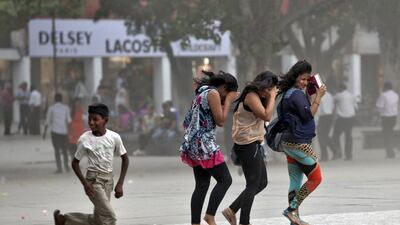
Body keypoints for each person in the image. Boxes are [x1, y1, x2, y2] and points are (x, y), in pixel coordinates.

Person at [53, 103, 129, 225]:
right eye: (89, 119)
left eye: (95, 119)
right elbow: (74, 163)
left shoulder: (114, 137)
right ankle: (65, 220)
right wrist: (85, 183)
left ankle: (65, 220)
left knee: (99, 219)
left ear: (105, 120)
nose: (91, 122)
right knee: (110, 217)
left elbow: (125, 159)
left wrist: (120, 183)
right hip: (93, 182)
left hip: (108, 181)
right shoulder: (84, 139)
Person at [180, 70, 238, 225]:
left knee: (202, 185)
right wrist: (228, 101)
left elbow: (186, 122)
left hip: (193, 144)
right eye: (229, 93)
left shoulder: (202, 93)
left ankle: (195, 223)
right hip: (204, 144)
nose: (227, 97)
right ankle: (210, 215)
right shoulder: (213, 93)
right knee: (225, 180)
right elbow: (220, 120)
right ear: (225, 88)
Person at [222, 71, 278, 225]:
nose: (269, 92)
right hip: (247, 144)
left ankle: (232, 210)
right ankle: (244, 222)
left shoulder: (259, 96)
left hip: (253, 143)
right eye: (268, 89)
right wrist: (272, 96)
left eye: (271, 89)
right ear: (262, 85)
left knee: (262, 182)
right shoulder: (251, 96)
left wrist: (272, 95)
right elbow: (267, 116)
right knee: (253, 184)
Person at [277, 60, 325, 225]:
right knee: (316, 178)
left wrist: (310, 95)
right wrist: (318, 97)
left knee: (295, 180)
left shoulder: (289, 93)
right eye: (302, 79)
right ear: (295, 77)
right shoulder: (296, 94)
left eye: (307, 80)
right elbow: (308, 115)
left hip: (288, 142)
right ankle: (291, 210)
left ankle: (294, 218)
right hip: (299, 143)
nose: (305, 83)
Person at [46, 93, 72, 173]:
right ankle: (66, 166)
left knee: (57, 150)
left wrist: (44, 132)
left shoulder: (51, 108)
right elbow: (69, 120)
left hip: (55, 131)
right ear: (61, 99)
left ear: (55, 99)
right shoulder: (66, 108)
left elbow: (48, 121)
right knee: (64, 150)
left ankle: (59, 168)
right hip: (64, 131)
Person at [331, 83, 358, 160]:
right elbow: (356, 107)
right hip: (351, 118)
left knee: (335, 136)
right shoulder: (352, 96)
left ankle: (337, 152)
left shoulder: (338, 95)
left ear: (340, 89)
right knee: (348, 136)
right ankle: (349, 155)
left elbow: (332, 100)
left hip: (342, 118)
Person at [376, 82, 399, 158]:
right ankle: (391, 150)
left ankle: (390, 152)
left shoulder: (383, 95)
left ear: (385, 87)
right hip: (393, 117)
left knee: (386, 135)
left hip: (386, 117)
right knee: (390, 134)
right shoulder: (396, 95)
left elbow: (379, 106)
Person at [316, 89, 335, 161]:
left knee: (321, 137)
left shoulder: (319, 96)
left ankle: (325, 156)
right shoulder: (330, 95)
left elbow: (319, 110)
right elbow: (332, 107)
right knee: (325, 136)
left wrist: (316, 122)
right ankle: (335, 150)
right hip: (329, 117)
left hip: (323, 118)